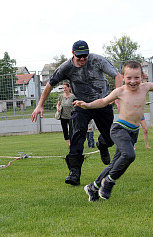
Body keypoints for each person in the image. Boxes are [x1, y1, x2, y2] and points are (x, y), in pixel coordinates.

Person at [74, 60, 153, 201]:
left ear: (142, 76)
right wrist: (87, 105)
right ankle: (109, 182)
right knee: (129, 155)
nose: (133, 81)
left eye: (136, 77)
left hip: (133, 132)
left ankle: (93, 187)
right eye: (129, 78)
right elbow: (103, 101)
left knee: (117, 163)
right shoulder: (120, 91)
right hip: (119, 129)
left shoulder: (145, 87)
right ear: (123, 78)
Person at [31, 40, 123, 186]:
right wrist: (39, 105)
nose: (82, 59)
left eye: (85, 56)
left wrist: (117, 96)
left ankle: (103, 144)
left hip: (102, 103)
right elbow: (50, 84)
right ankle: (74, 172)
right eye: (79, 56)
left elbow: (117, 76)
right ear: (73, 54)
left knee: (111, 137)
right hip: (81, 105)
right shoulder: (66, 67)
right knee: (76, 135)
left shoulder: (98, 60)